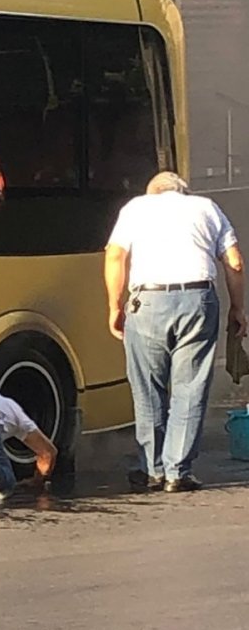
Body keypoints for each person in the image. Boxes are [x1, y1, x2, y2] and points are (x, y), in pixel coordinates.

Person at [104, 170, 247, 493]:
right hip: (197, 300)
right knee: (190, 387)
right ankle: (177, 472)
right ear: (184, 192)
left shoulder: (135, 208)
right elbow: (234, 261)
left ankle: (152, 469)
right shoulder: (206, 207)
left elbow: (115, 255)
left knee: (148, 387)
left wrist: (114, 306)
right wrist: (238, 308)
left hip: (148, 301)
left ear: (152, 192)